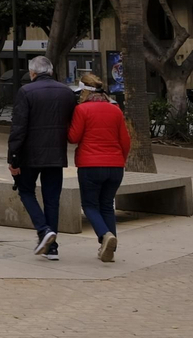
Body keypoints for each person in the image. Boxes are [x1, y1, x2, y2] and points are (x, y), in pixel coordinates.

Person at [7, 55, 78, 261]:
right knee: (52, 199)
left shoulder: (26, 91)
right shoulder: (66, 93)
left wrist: (13, 158)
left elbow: (18, 128)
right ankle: (52, 248)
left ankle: (43, 230)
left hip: (30, 155)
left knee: (26, 191)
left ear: (32, 73)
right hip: (56, 154)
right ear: (51, 71)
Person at [68, 72, 129, 263]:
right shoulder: (115, 109)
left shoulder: (82, 110)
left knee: (90, 205)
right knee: (107, 205)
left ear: (83, 91)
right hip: (115, 166)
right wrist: (120, 160)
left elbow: (73, 137)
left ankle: (105, 235)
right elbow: (125, 140)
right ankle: (110, 247)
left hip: (90, 165)